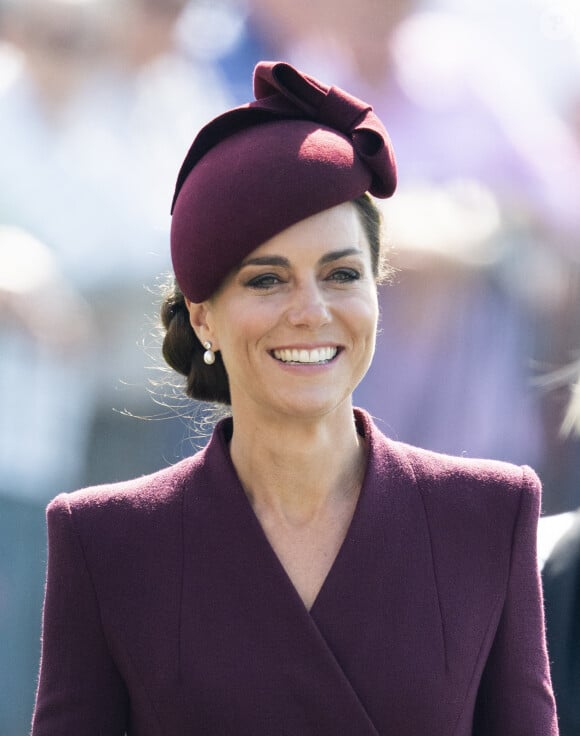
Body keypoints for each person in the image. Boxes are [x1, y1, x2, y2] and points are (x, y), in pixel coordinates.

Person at [31, 60, 558, 735]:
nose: (310, 311)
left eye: (340, 274)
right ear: (203, 317)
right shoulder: (104, 539)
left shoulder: (489, 515)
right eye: (266, 281)